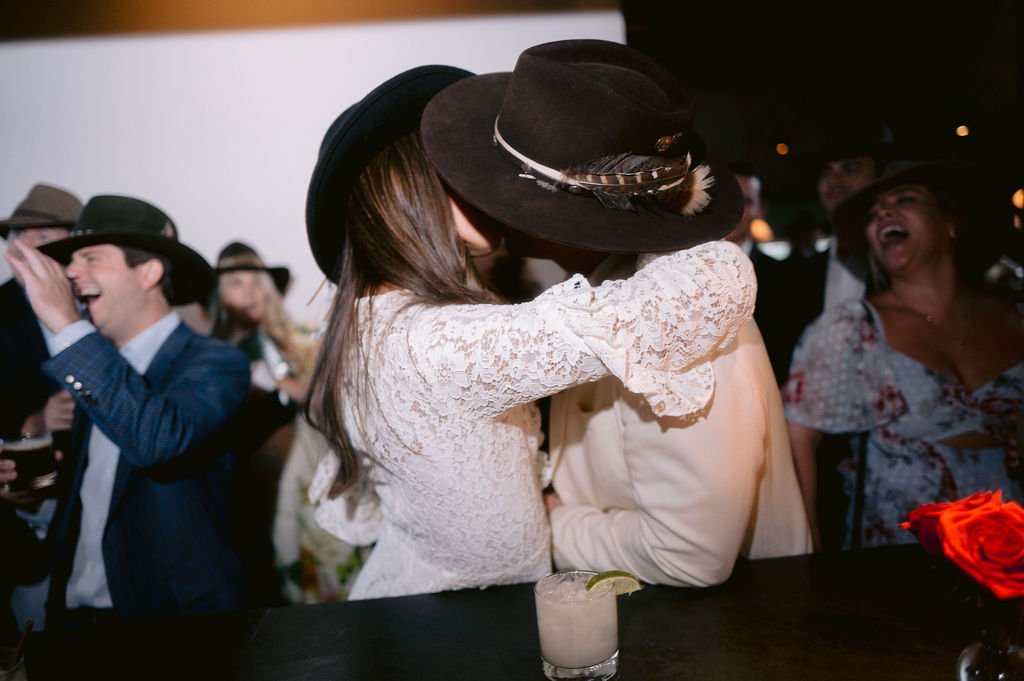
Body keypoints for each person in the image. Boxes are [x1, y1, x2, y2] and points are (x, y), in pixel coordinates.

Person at [304, 50, 756, 600]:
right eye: (457, 162)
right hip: (454, 629)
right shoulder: (434, 344)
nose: (484, 179)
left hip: (424, 605)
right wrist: (641, 202)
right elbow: (711, 282)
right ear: (409, 189)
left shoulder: (376, 322)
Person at [421, 43, 811, 587]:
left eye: (499, 180)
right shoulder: (609, 296)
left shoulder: (679, 320)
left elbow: (688, 557)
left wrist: (552, 521)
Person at [1, 194, 252, 627]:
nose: (72, 273)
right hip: (72, 621)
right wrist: (36, 504)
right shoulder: (90, 367)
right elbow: (93, 499)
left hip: (169, 627)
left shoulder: (214, 362)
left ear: (149, 272)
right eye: (71, 261)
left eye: (91, 258)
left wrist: (67, 324)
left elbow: (157, 439)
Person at [783, 160, 1024, 550]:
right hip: (899, 562)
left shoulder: (1015, 316)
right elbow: (797, 438)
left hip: (1012, 556)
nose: (884, 215)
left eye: (905, 199)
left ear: (951, 222)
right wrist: (809, 555)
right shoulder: (852, 328)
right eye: (874, 215)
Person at [0, 183, 82, 637]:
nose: (23, 250)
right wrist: (32, 424)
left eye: (49, 240)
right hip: (29, 521)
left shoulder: (97, 307)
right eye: (23, 238)